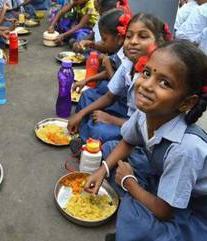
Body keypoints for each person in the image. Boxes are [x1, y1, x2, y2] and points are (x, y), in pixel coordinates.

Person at [85, 40, 207, 241]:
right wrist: (101, 171)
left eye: (164, 83)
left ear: (187, 102)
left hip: (192, 207)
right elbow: (127, 142)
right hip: (162, 177)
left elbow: (166, 211)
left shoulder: (185, 148)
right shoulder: (146, 113)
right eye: (147, 73)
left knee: (136, 217)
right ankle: (136, 199)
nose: (146, 86)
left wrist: (130, 182)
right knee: (110, 148)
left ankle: (134, 212)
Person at [67, 13, 170, 145]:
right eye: (129, 36)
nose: (133, 41)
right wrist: (81, 114)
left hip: (139, 126)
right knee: (87, 96)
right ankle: (85, 134)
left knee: (100, 131)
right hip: (126, 111)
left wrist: (111, 119)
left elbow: (145, 124)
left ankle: (89, 140)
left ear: (159, 42)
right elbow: (110, 96)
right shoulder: (128, 63)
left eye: (142, 36)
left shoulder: (154, 78)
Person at [72, 8, 126, 94]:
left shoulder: (127, 56)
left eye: (104, 39)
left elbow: (116, 89)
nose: (102, 42)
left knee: (102, 87)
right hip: (111, 77)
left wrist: (108, 64)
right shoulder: (119, 49)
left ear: (119, 38)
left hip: (121, 98)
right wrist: (86, 80)